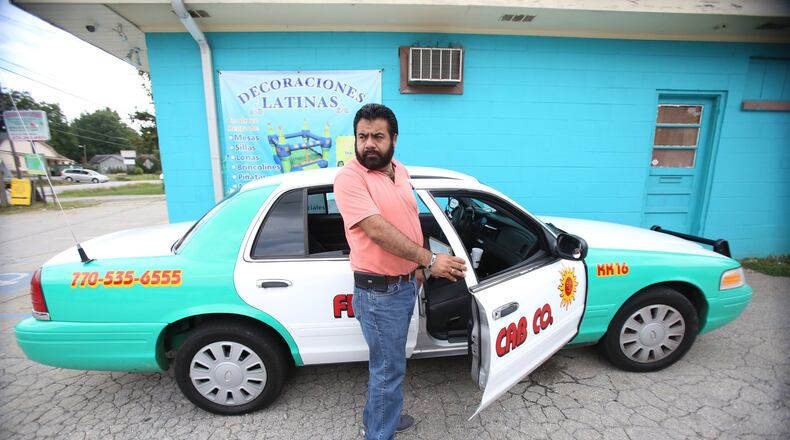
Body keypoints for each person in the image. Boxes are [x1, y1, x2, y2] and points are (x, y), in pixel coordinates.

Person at [334, 103, 467, 440]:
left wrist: (417, 267)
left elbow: (409, 220)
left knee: (387, 368)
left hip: (404, 284)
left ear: (394, 139)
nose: (368, 144)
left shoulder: (400, 170)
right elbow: (376, 230)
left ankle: (381, 418)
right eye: (362, 137)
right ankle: (379, 433)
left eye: (377, 136)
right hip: (379, 292)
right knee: (387, 371)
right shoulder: (349, 178)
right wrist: (430, 260)